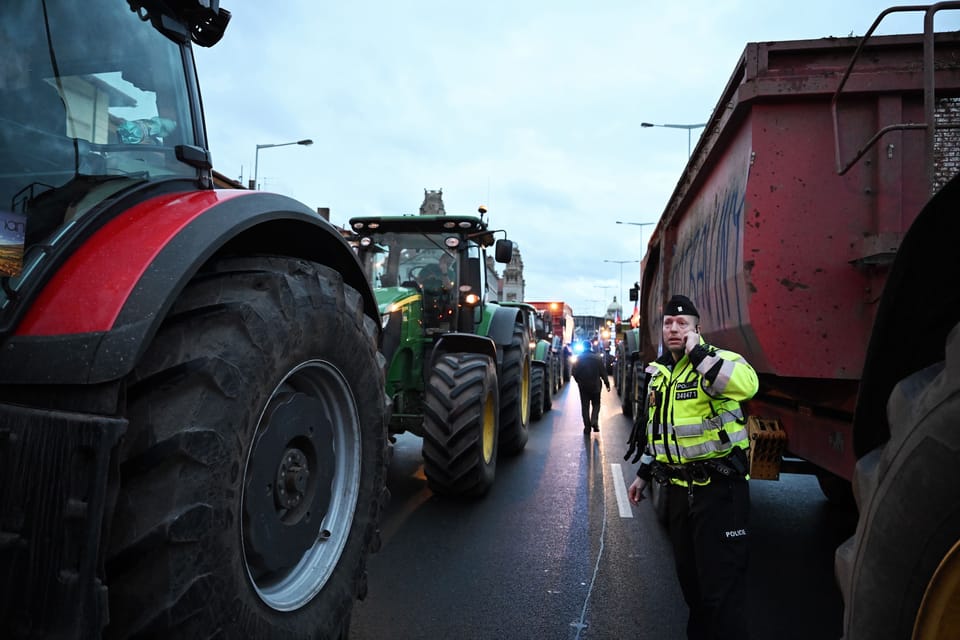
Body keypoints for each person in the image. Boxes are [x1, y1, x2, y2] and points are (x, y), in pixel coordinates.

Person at [626, 294, 758, 640]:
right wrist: (643, 474)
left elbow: (748, 385)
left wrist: (699, 354)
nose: (674, 328)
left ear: (698, 329)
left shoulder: (718, 360)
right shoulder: (661, 376)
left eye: (682, 323)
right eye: (668, 323)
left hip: (720, 493)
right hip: (680, 495)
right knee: (692, 586)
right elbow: (659, 432)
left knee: (722, 593)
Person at [572, 339, 610, 434]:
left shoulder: (579, 358)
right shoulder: (597, 358)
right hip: (596, 386)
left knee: (585, 407)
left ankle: (587, 428)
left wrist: (579, 381)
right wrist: (607, 384)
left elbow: (574, 372)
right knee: (596, 405)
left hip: (583, 386)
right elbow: (603, 373)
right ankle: (594, 421)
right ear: (591, 347)